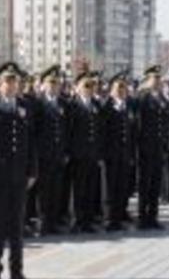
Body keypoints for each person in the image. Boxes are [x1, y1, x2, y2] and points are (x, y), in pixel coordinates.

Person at [0, 63, 36, 279]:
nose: (11, 85)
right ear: (0, 84)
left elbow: (30, 141)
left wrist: (32, 170)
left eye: (14, 81)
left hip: (19, 175)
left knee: (16, 226)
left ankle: (16, 270)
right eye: (7, 81)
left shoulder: (25, 106)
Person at [33, 65, 69, 235]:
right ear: (44, 84)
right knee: (44, 190)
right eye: (51, 82)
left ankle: (53, 222)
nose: (54, 86)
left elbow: (66, 130)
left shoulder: (62, 103)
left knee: (56, 189)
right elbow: (35, 131)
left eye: (57, 83)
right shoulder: (38, 104)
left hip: (58, 154)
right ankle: (44, 222)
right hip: (44, 155)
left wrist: (65, 151)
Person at [67, 71, 104, 233]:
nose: (89, 88)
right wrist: (69, 152)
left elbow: (101, 131)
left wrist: (99, 153)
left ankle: (87, 221)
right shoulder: (73, 105)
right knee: (79, 189)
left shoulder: (96, 105)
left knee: (90, 188)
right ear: (78, 87)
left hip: (93, 154)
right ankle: (78, 220)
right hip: (78, 154)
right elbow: (69, 131)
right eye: (86, 85)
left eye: (91, 85)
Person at [101, 71, 135, 231]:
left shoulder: (128, 106)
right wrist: (103, 154)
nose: (121, 91)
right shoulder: (107, 106)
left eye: (123, 88)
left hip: (125, 153)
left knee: (122, 186)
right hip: (111, 154)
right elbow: (103, 132)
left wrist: (131, 153)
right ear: (112, 90)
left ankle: (119, 216)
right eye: (118, 88)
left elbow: (131, 132)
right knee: (111, 187)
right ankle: (110, 219)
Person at [136, 65, 168, 230]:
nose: (157, 81)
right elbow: (138, 123)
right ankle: (142, 217)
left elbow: (167, 118)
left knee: (156, 182)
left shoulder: (161, 97)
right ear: (147, 79)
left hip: (158, 146)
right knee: (145, 183)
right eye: (154, 78)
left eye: (158, 78)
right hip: (145, 147)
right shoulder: (142, 97)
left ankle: (153, 216)